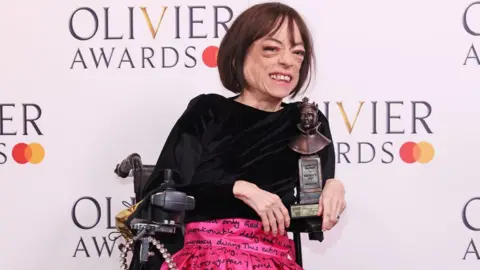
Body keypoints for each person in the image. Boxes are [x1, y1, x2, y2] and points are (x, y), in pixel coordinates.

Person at [140, 2, 346, 269]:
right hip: (204, 257)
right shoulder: (208, 111)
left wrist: (333, 186)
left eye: (298, 53)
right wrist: (240, 189)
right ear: (239, 55)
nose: (288, 61)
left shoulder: (306, 121)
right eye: (272, 49)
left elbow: (309, 213)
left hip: (272, 258)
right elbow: (161, 191)